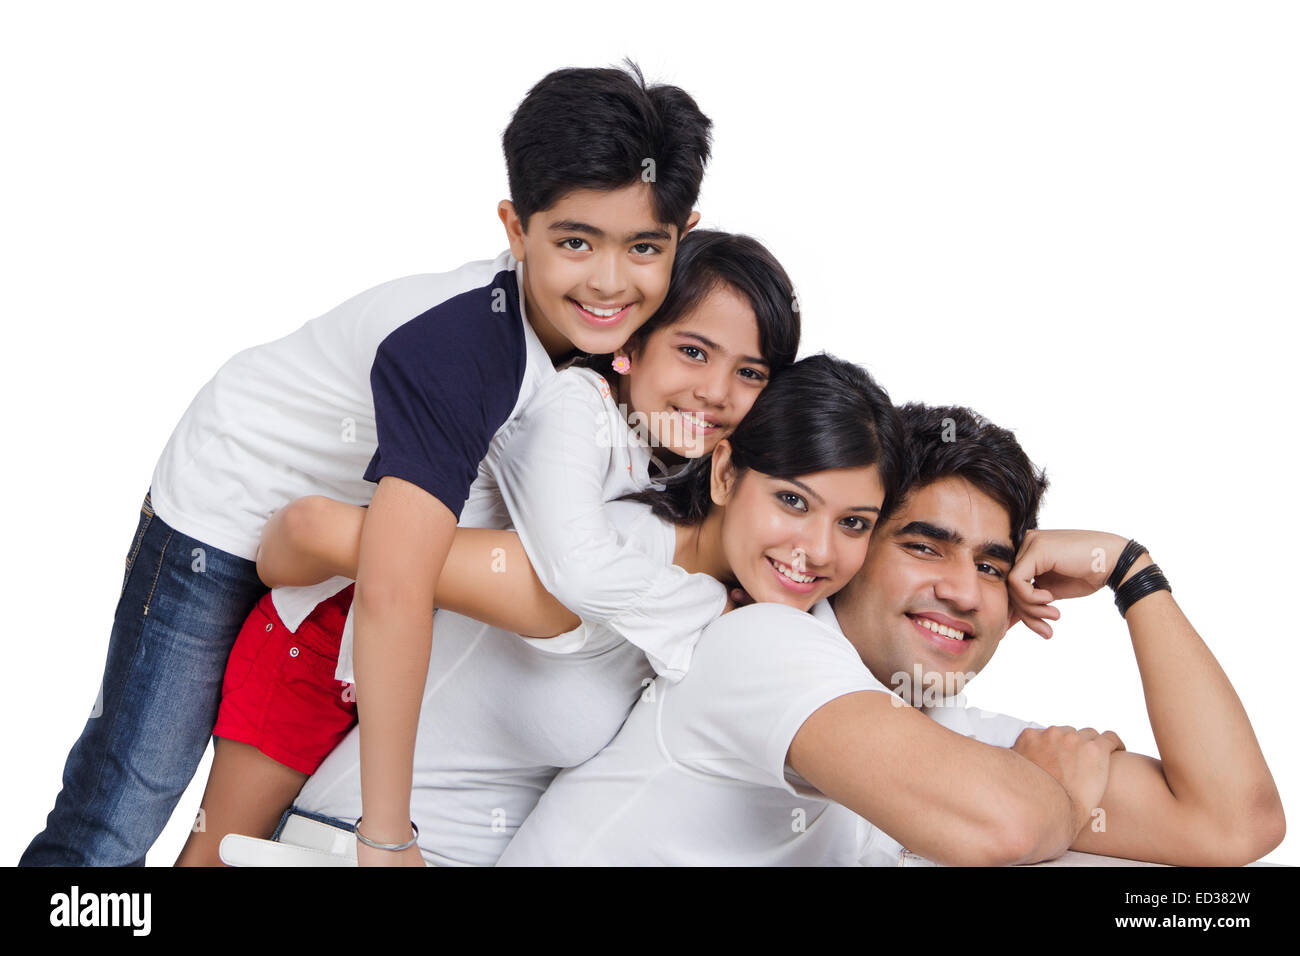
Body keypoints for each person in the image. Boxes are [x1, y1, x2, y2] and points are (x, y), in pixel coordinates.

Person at [21, 61, 713, 866]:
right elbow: (394, 591)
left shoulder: (632, 344)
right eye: (573, 241)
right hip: (226, 510)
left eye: (643, 247)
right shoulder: (467, 350)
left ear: (682, 237)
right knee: (122, 808)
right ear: (515, 230)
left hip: (331, 561)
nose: (608, 279)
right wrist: (385, 836)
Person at [175, 230, 800, 865]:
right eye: (694, 351)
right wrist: (709, 612)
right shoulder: (576, 413)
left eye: (750, 373)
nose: (718, 391)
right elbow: (575, 565)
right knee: (210, 857)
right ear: (629, 344)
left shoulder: (668, 465)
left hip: (406, 651)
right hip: (322, 642)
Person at [497, 403, 1286, 866]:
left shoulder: (942, 734)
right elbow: (1005, 822)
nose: (961, 590)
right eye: (923, 546)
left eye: (992, 566)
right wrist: (1063, 801)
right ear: (855, 547)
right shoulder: (763, 644)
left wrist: (1133, 573)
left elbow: (1236, 822)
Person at [227, 352, 898, 865]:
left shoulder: (746, 613)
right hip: (353, 851)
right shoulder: (601, 562)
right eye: (793, 502)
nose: (816, 550)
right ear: (725, 474)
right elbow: (326, 533)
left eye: (855, 524)